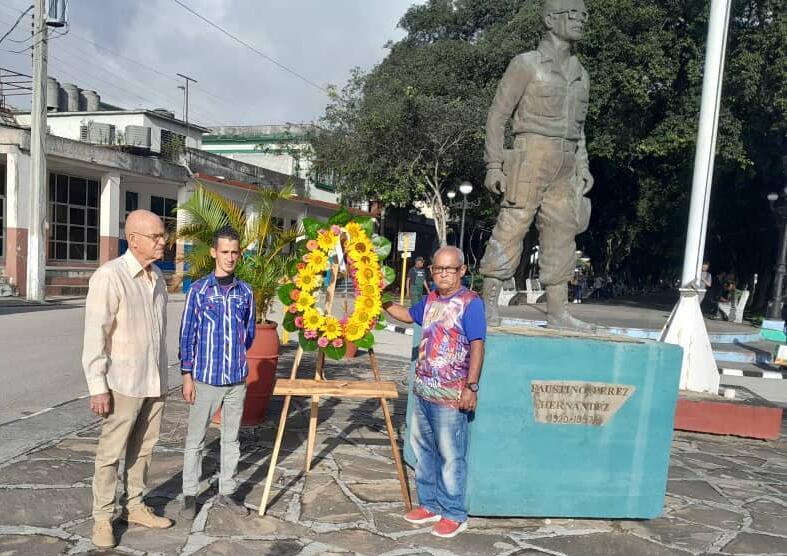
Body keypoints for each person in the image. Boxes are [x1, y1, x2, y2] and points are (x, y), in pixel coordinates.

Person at [479, 0, 595, 332]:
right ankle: (488, 307)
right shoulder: (526, 65)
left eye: (584, 16)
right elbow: (497, 115)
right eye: (573, 14)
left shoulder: (581, 74)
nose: (580, 21)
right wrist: (494, 164)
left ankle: (558, 312)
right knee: (513, 226)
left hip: (566, 164)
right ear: (549, 18)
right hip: (530, 155)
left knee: (562, 234)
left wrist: (583, 165)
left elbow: (580, 127)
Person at [82, 210, 173, 549]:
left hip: (153, 380)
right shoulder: (110, 277)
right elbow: (95, 336)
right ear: (133, 240)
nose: (163, 242)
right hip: (122, 383)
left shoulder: (158, 278)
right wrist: (98, 386)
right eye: (156, 237)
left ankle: (134, 505)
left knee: (144, 449)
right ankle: (103, 517)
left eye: (163, 235)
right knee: (111, 453)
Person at [383, 246, 486, 538]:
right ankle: (430, 505)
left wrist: (471, 386)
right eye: (437, 269)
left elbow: (477, 345)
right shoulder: (429, 301)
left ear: (462, 271)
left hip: (452, 396)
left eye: (449, 269)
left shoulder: (470, 303)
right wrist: (381, 301)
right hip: (423, 393)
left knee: (451, 455)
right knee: (424, 451)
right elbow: (406, 314)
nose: (442, 274)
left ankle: (454, 513)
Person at [179, 226, 256, 519]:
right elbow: (188, 335)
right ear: (214, 252)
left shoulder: (245, 292)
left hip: (236, 380)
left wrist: (233, 357)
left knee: (231, 439)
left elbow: (248, 334)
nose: (230, 257)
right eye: (224, 252)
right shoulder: (199, 290)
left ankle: (227, 490)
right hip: (205, 379)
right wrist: (187, 375)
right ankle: (189, 494)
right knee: (195, 438)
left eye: (235, 252)